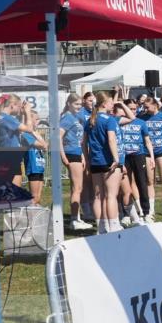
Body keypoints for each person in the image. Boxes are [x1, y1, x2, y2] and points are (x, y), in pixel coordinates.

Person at [83, 93, 123, 234]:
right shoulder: (109, 120)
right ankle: (113, 226)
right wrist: (116, 159)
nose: (113, 104)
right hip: (108, 161)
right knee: (111, 195)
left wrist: (87, 160)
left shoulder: (90, 120)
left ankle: (101, 227)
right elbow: (111, 140)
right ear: (104, 104)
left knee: (98, 196)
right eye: (111, 102)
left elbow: (84, 143)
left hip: (95, 162)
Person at [116, 102, 154, 224]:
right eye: (130, 109)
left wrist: (152, 157)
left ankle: (146, 212)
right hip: (124, 157)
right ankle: (126, 213)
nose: (133, 111)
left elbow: (147, 141)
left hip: (139, 155)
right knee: (124, 186)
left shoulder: (141, 123)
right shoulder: (119, 121)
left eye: (134, 109)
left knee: (142, 183)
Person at [59, 94, 91, 230]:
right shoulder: (67, 118)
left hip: (77, 153)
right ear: (69, 103)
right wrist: (63, 156)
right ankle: (74, 220)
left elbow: (79, 140)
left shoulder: (75, 118)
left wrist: (83, 155)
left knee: (77, 188)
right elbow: (57, 137)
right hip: (71, 154)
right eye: (76, 104)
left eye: (80, 105)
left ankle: (76, 217)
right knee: (77, 188)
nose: (79, 107)